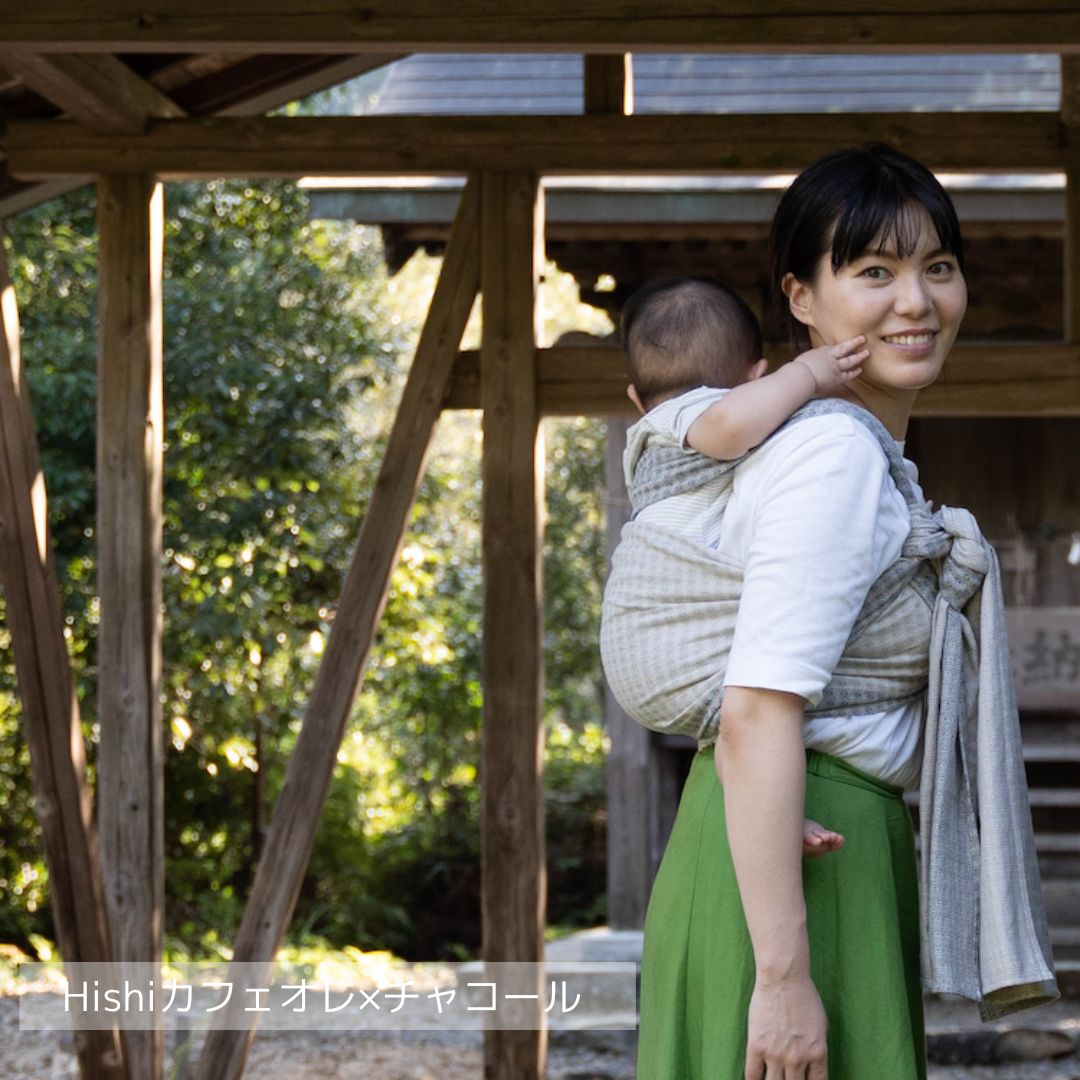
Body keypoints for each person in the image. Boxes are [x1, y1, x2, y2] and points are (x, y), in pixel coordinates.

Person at [602, 144, 971, 1079]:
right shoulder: (832, 453)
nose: (915, 302)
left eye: (938, 267)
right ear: (801, 299)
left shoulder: (812, 449)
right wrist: (783, 977)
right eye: (873, 272)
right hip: (803, 854)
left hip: (779, 836)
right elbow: (759, 706)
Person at [619, 275, 872, 857]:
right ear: (757, 377)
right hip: (659, 633)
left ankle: (779, 815)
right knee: (747, 719)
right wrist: (806, 374)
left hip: (663, 655)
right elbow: (729, 427)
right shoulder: (683, 418)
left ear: (634, 396)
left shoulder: (664, 416)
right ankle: (775, 812)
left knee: (736, 728)